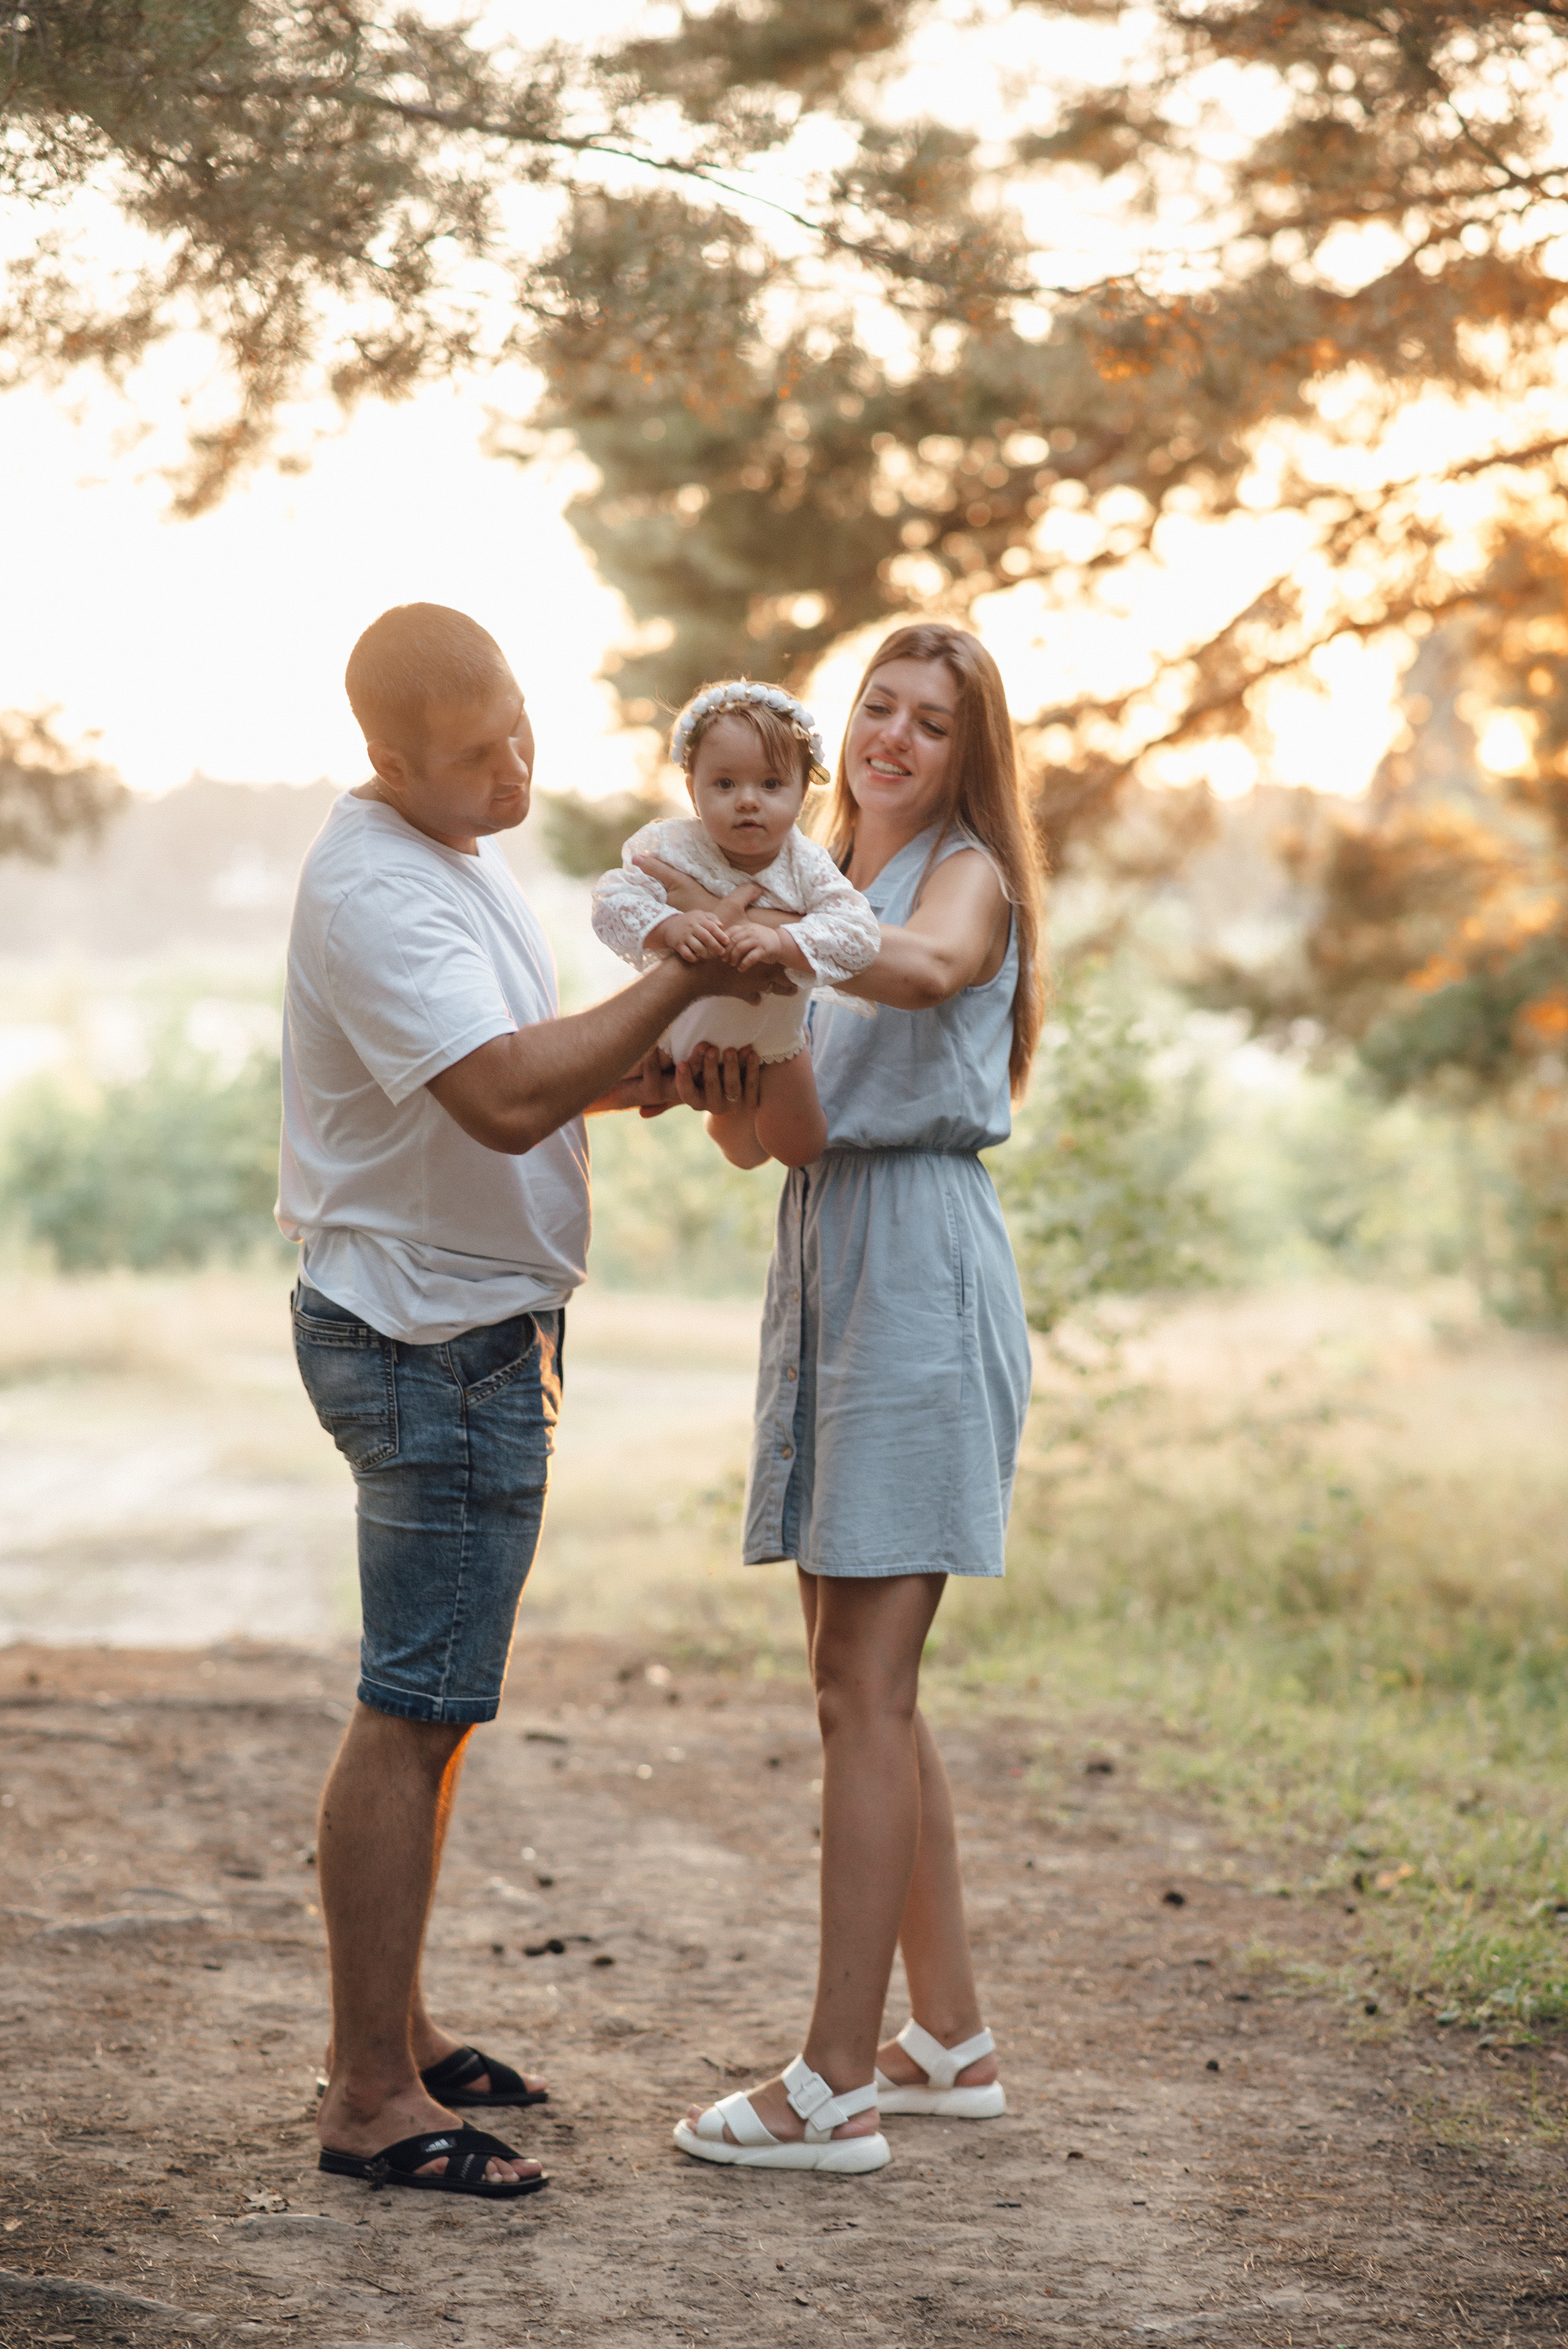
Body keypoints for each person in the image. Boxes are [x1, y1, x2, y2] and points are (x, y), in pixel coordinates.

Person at [276, 602, 791, 2200]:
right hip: (429, 1344)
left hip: (474, 1334)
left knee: (438, 1707)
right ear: (387, 760)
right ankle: (368, 2097)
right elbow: (499, 1099)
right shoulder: (373, 884)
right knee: (412, 1701)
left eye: (520, 728)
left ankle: (402, 2027)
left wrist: (660, 1069)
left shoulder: (459, 850)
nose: (514, 768)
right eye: (475, 752)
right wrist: (684, 963)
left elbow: (527, 1065)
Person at [643, 622, 1045, 2175]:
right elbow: (785, 1140)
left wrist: (764, 950)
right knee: (858, 1677)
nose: (889, 735)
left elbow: (936, 967)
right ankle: (945, 2036)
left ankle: (831, 2081)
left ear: (962, 755)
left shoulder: (959, 875)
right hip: (828, 1254)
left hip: (920, 1260)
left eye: (926, 720)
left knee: (860, 1689)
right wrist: (719, 1069)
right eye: (874, 705)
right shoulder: (809, 887)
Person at [590, 678, 880, 1169]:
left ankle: (728, 1117)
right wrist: (669, 926)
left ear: (802, 793)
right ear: (692, 789)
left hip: (772, 1039)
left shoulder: (805, 864)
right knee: (580, 1084)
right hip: (665, 1025)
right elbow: (611, 902)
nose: (748, 800)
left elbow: (860, 934)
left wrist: (782, 940)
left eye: (771, 784)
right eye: (725, 784)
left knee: (801, 1147)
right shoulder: (673, 847)